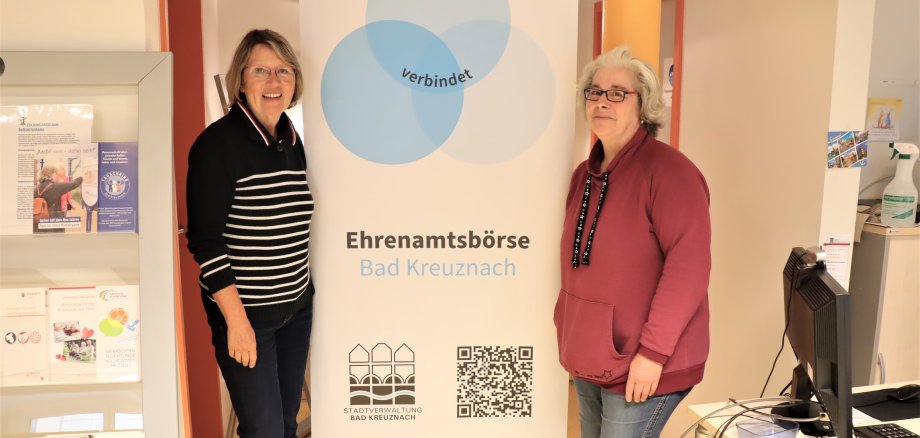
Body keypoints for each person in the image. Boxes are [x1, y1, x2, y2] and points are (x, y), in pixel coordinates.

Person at [555, 46, 712, 438]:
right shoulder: (584, 175)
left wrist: (653, 354)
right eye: (595, 91)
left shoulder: (671, 173)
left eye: (617, 93)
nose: (602, 102)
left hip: (644, 360)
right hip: (590, 353)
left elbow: (689, 270)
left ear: (643, 105)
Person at [185, 29, 314, 438]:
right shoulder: (216, 146)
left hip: (295, 310)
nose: (274, 81)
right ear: (241, 80)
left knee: (286, 425)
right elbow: (205, 242)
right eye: (261, 71)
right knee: (264, 432)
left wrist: (303, 296)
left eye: (284, 70)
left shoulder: (291, 139)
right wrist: (237, 323)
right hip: (248, 318)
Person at [34, 165, 84, 232]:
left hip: (38, 223)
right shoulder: (55, 187)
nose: (56, 176)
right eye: (56, 174)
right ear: (52, 174)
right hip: (53, 224)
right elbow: (73, 184)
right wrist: (81, 177)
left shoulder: (36, 188)